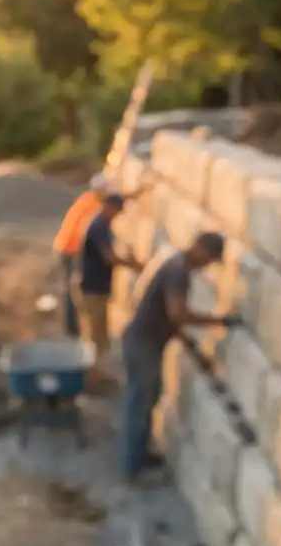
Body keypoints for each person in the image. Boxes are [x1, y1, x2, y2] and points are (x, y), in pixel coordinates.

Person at [119, 231, 239, 480]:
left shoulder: (176, 265)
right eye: (211, 259)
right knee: (140, 401)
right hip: (143, 345)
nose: (208, 266)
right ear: (202, 249)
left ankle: (139, 455)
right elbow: (178, 314)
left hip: (143, 342)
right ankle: (132, 468)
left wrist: (191, 346)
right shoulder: (179, 272)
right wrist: (220, 321)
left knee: (148, 396)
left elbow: (169, 317)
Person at [75, 193, 139, 382]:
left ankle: (93, 374)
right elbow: (109, 257)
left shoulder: (101, 224)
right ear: (109, 207)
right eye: (117, 211)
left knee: (96, 333)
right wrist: (134, 264)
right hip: (92, 288)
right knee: (96, 335)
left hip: (95, 287)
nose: (117, 215)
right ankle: (92, 378)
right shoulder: (99, 227)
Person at [52, 174, 112, 336]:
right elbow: (85, 233)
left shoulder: (87, 199)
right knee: (75, 289)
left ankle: (72, 327)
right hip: (71, 249)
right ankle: (73, 329)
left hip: (66, 246)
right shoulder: (94, 206)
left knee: (70, 287)